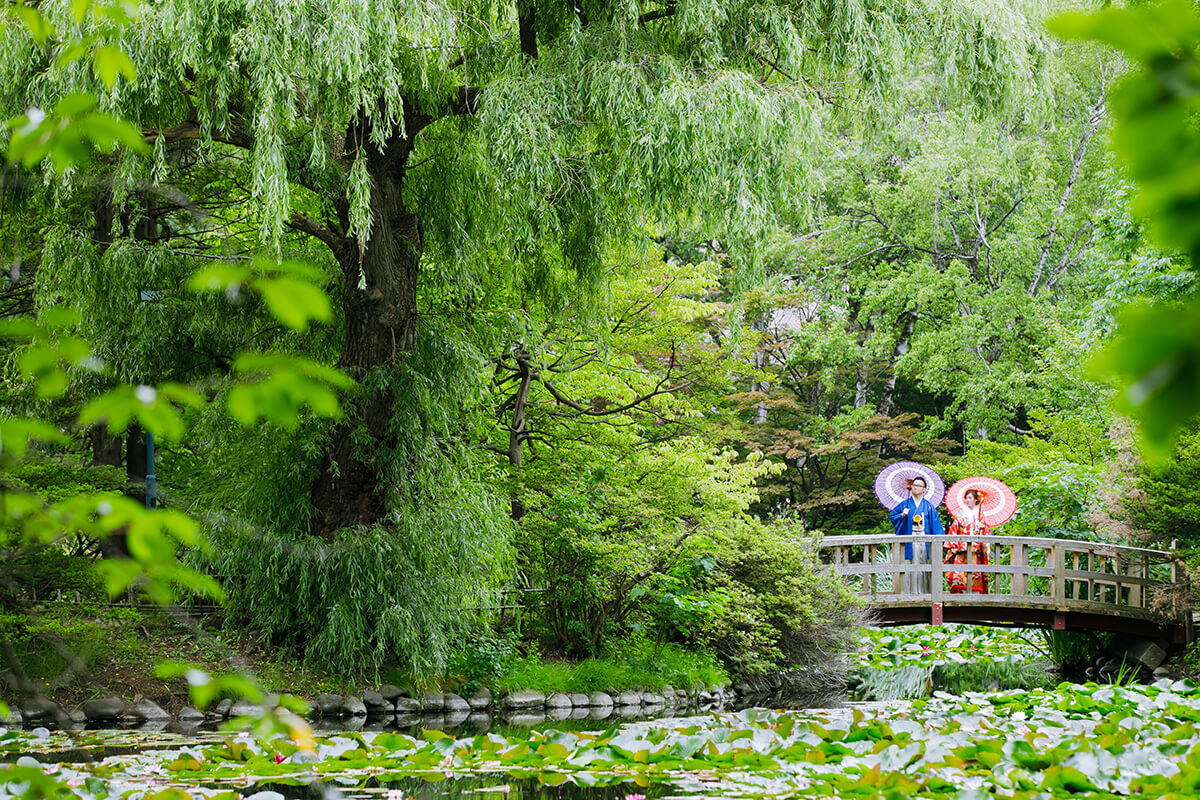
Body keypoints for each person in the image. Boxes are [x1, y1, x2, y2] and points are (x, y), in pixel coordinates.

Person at [889, 476, 944, 594]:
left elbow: (936, 526)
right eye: (914, 485)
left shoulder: (929, 506)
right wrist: (902, 515)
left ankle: (925, 592)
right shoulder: (905, 504)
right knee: (909, 565)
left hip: (924, 541)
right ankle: (909, 593)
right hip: (910, 541)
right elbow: (893, 517)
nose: (916, 487)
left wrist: (940, 540)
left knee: (924, 565)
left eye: (919, 485)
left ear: (924, 489)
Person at [945, 488, 990, 594]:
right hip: (961, 547)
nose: (968, 500)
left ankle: (974, 594)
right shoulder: (960, 514)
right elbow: (953, 530)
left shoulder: (980, 515)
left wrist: (982, 527)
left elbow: (987, 529)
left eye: (970, 498)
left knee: (975, 572)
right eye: (966, 498)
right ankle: (960, 592)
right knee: (959, 571)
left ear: (976, 500)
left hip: (975, 547)